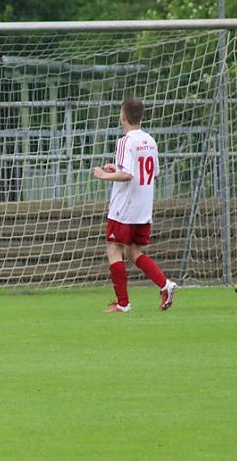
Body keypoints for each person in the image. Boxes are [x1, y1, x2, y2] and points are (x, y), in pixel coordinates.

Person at [92, 98, 177, 313]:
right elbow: (153, 172)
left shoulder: (125, 141)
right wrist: (116, 168)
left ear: (122, 116)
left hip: (124, 207)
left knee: (113, 249)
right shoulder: (149, 140)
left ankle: (123, 303)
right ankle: (165, 285)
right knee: (133, 251)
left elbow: (128, 174)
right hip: (143, 206)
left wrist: (104, 175)